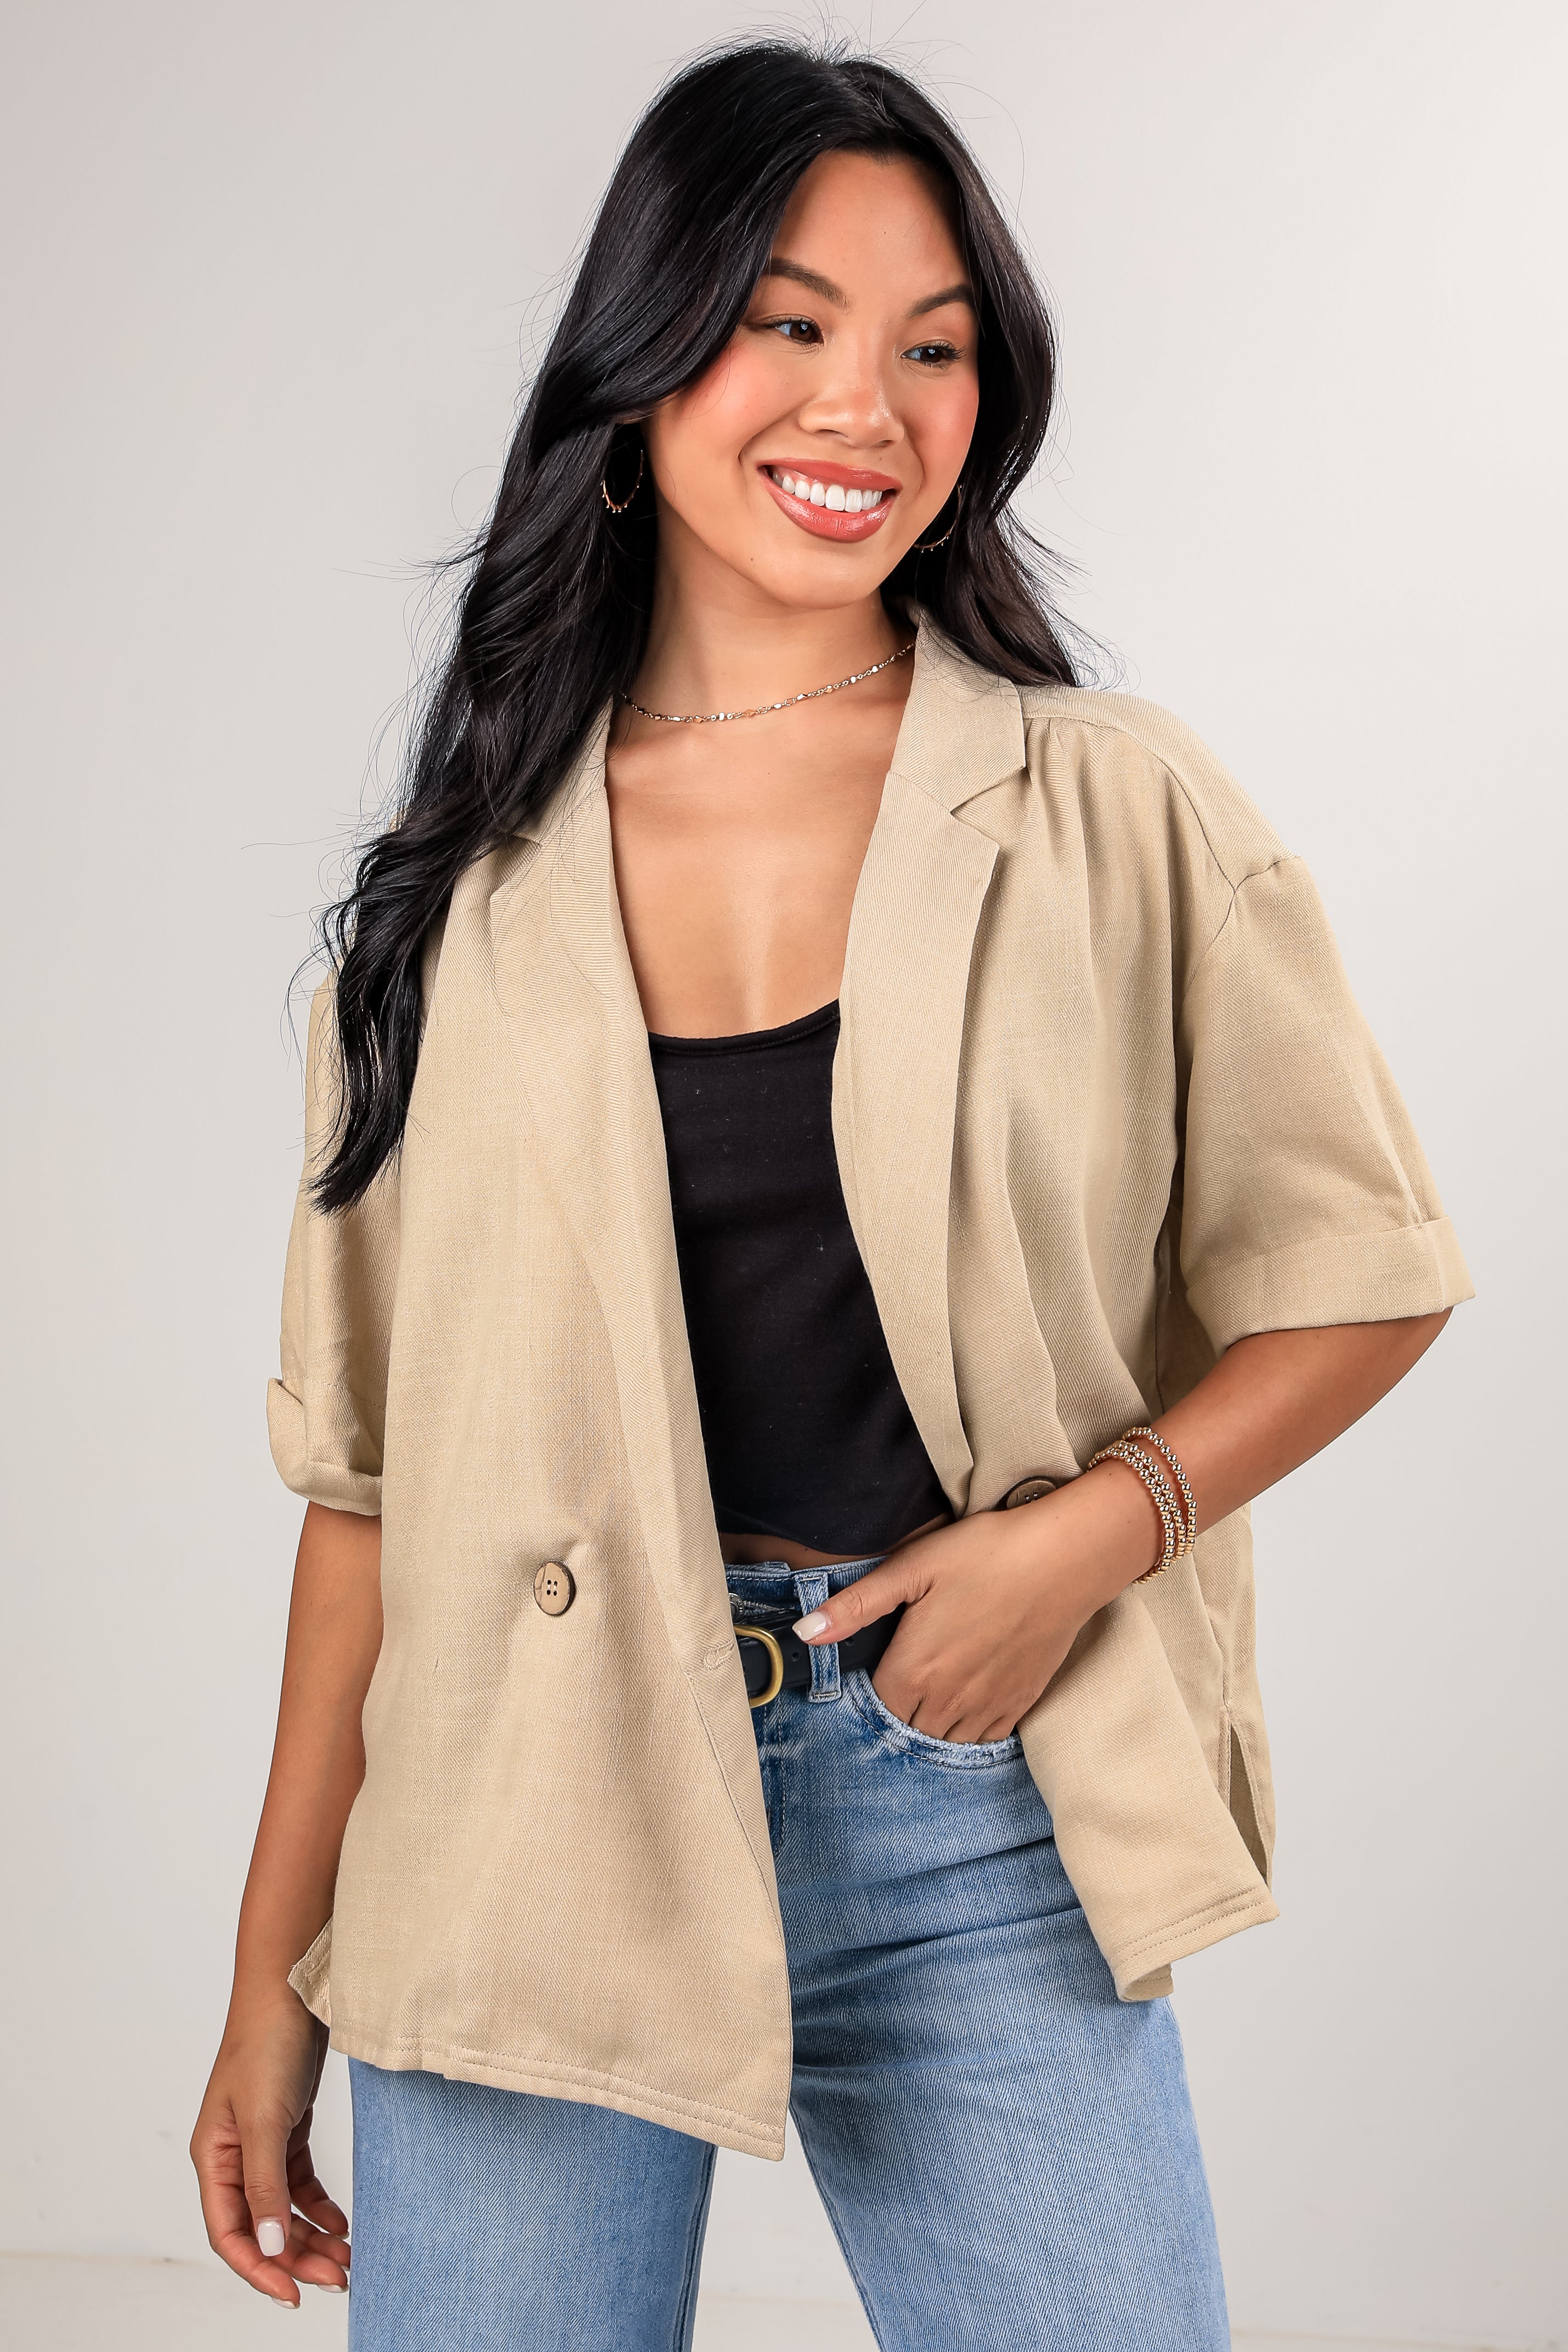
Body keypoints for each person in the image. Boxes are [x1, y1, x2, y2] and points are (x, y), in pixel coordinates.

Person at [190, 39, 1471, 2351]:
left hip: (966, 1788)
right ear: (644, 356)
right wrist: (270, 1989)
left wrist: (1088, 1540)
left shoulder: (1111, 805)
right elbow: (367, 1495)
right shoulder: (456, 895)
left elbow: (1362, 1273)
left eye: (933, 345)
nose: (862, 403)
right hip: (522, 1812)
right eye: (789, 322)